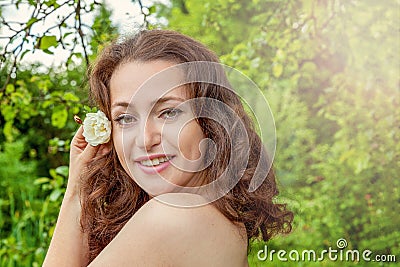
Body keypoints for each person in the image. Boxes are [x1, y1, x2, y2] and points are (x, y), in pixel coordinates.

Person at [43, 29, 293, 266]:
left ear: (212, 121)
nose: (145, 139)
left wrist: (76, 192)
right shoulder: (218, 219)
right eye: (125, 118)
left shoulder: (173, 217)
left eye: (168, 112)